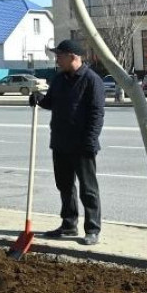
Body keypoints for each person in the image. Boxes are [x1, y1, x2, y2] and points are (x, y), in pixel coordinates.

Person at [30, 39, 106, 246]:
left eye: (59, 56)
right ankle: (69, 223)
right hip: (60, 143)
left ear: (73, 57)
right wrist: (38, 98)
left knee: (88, 189)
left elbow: (96, 114)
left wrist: (90, 141)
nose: (57, 60)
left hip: (82, 145)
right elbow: (51, 103)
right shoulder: (60, 79)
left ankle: (92, 229)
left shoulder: (92, 80)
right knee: (64, 186)